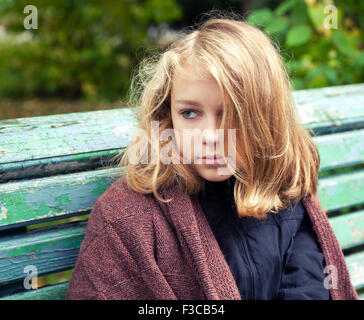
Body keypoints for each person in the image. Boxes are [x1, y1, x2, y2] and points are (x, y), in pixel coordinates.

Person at [66, 14, 358, 300]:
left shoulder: (284, 193)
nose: (210, 136)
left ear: (265, 119)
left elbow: (308, 287)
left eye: (231, 114)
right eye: (189, 113)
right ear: (167, 115)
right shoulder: (129, 216)